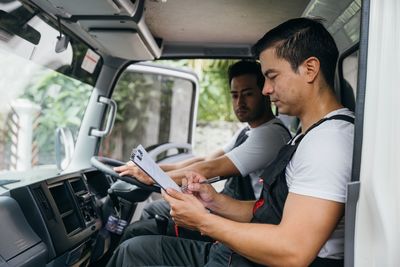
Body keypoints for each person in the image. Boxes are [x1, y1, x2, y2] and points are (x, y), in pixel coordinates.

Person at [107, 17, 354, 267]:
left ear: (309, 70)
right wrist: (214, 201)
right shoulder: (309, 135)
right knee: (135, 249)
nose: (266, 90)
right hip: (241, 255)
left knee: (134, 251)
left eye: (272, 76)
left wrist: (203, 220)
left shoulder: (328, 142)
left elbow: (293, 251)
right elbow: (270, 213)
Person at [116, 60, 291, 242]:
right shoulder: (248, 130)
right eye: (234, 95)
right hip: (226, 207)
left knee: (135, 233)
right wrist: (149, 167)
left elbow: (210, 170)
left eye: (248, 94)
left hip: (245, 222)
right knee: (153, 210)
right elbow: (206, 159)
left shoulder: (270, 135)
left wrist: (151, 176)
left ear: (264, 94)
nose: (240, 102)